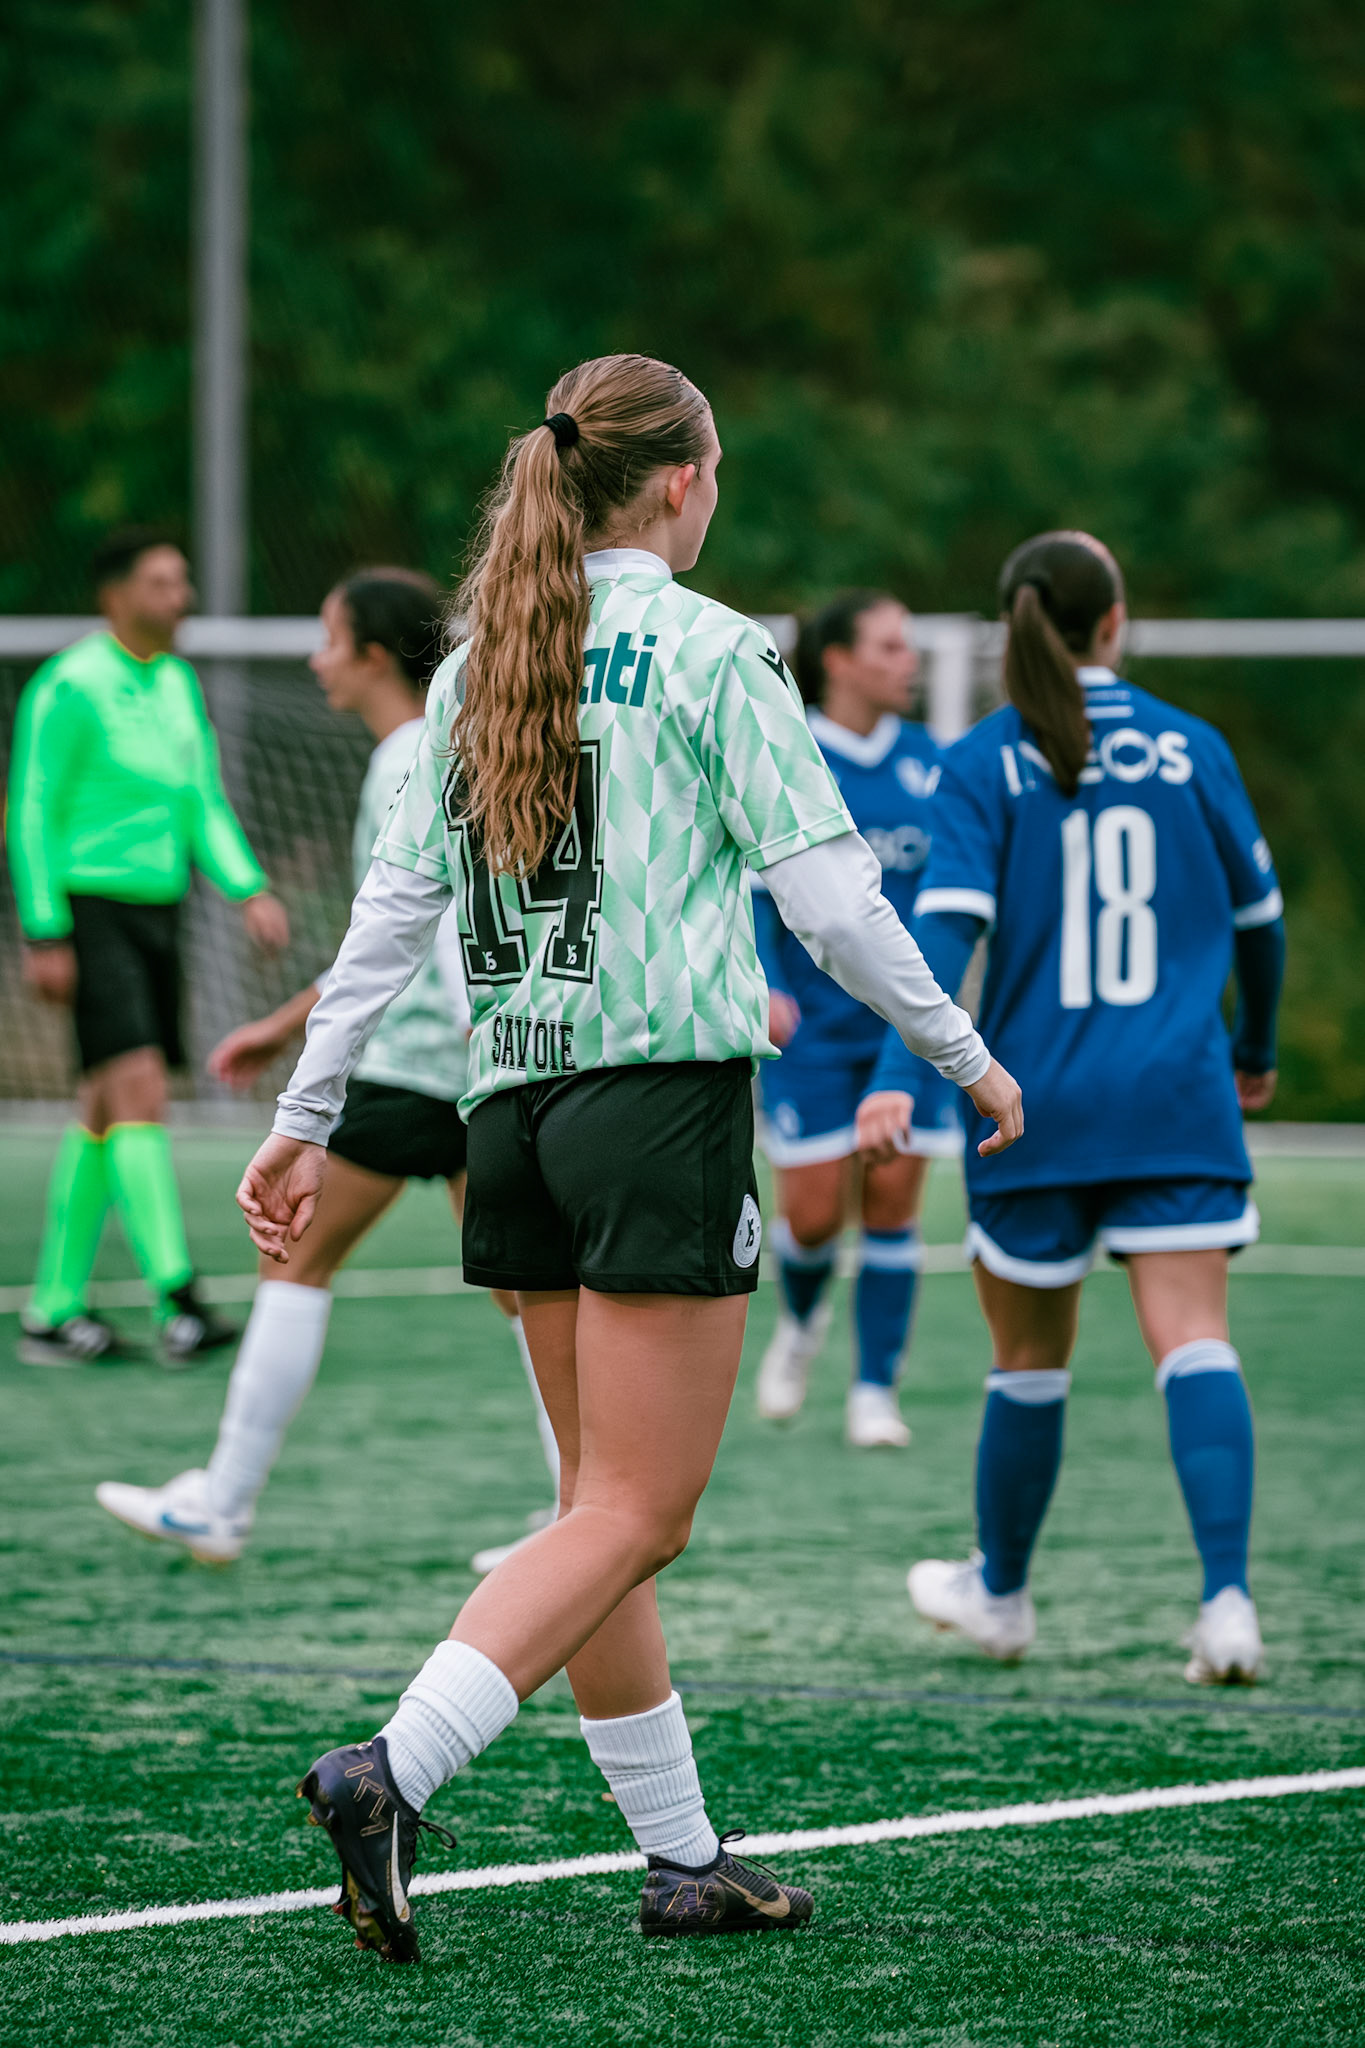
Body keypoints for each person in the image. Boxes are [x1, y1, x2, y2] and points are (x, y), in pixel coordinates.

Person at [231, 353, 1022, 1962]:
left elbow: (389, 928)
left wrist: (301, 1114)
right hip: (654, 1109)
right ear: (680, 482)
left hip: (506, 1115)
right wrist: (959, 1049)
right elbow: (828, 898)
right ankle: (395, 1770)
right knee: (639, 1513)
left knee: (594, 1505)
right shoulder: (713, 648)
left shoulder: (478, 663)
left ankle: (683, 1859)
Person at [858, 530, 1283, 1685]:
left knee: (1027, 1360)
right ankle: (1229, 1605)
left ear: (1015, 626)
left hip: (1032, 1105)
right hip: (1177, 1098)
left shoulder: (987, 755)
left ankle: (1000, 1595)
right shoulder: (1194, 746)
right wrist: (1257, 1046)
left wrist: (905, 1070)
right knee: (1195, 1338)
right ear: (1115, 617)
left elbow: (945, 928)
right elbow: (1262, 925)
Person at [92, 568, 559, 1565]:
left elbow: (420, 932)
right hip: (477, 1067)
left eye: (329, 638)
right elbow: (387, 932)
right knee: (523, 1286)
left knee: (292, 1256)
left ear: (374, 657)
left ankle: (222, 1499)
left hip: (419, 1063)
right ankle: (579, 1506)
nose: (315, 659)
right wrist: (283, 1020)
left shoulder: (406, 757)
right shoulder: (438, 745)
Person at [7, 527, 290, 1367]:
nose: (183, 598)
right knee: (136, 1094)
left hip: (155, 914)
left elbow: (201, 798)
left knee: (105, 1108)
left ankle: (53, 1310)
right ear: (116, 596)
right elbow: (30, 806)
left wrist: (248, 887)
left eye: (184, 581)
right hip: (89, 913)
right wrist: (44, 926)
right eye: (164, 583)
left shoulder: (174, 683)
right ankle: (179, 1297)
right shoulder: (70, 683)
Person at [752, 591, 961, 1447]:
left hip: (900, 1028)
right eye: (888, 646)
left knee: (890, 1198)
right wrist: (763, 982)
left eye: (908, 645)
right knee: (808, 1215)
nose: (907, 661)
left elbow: (950, 902)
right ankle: (800, 1327)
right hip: (809, 1028)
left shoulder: (931, 763)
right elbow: (753, 884)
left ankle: (875, 1391)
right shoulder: (787, 748)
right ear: (837, 661)